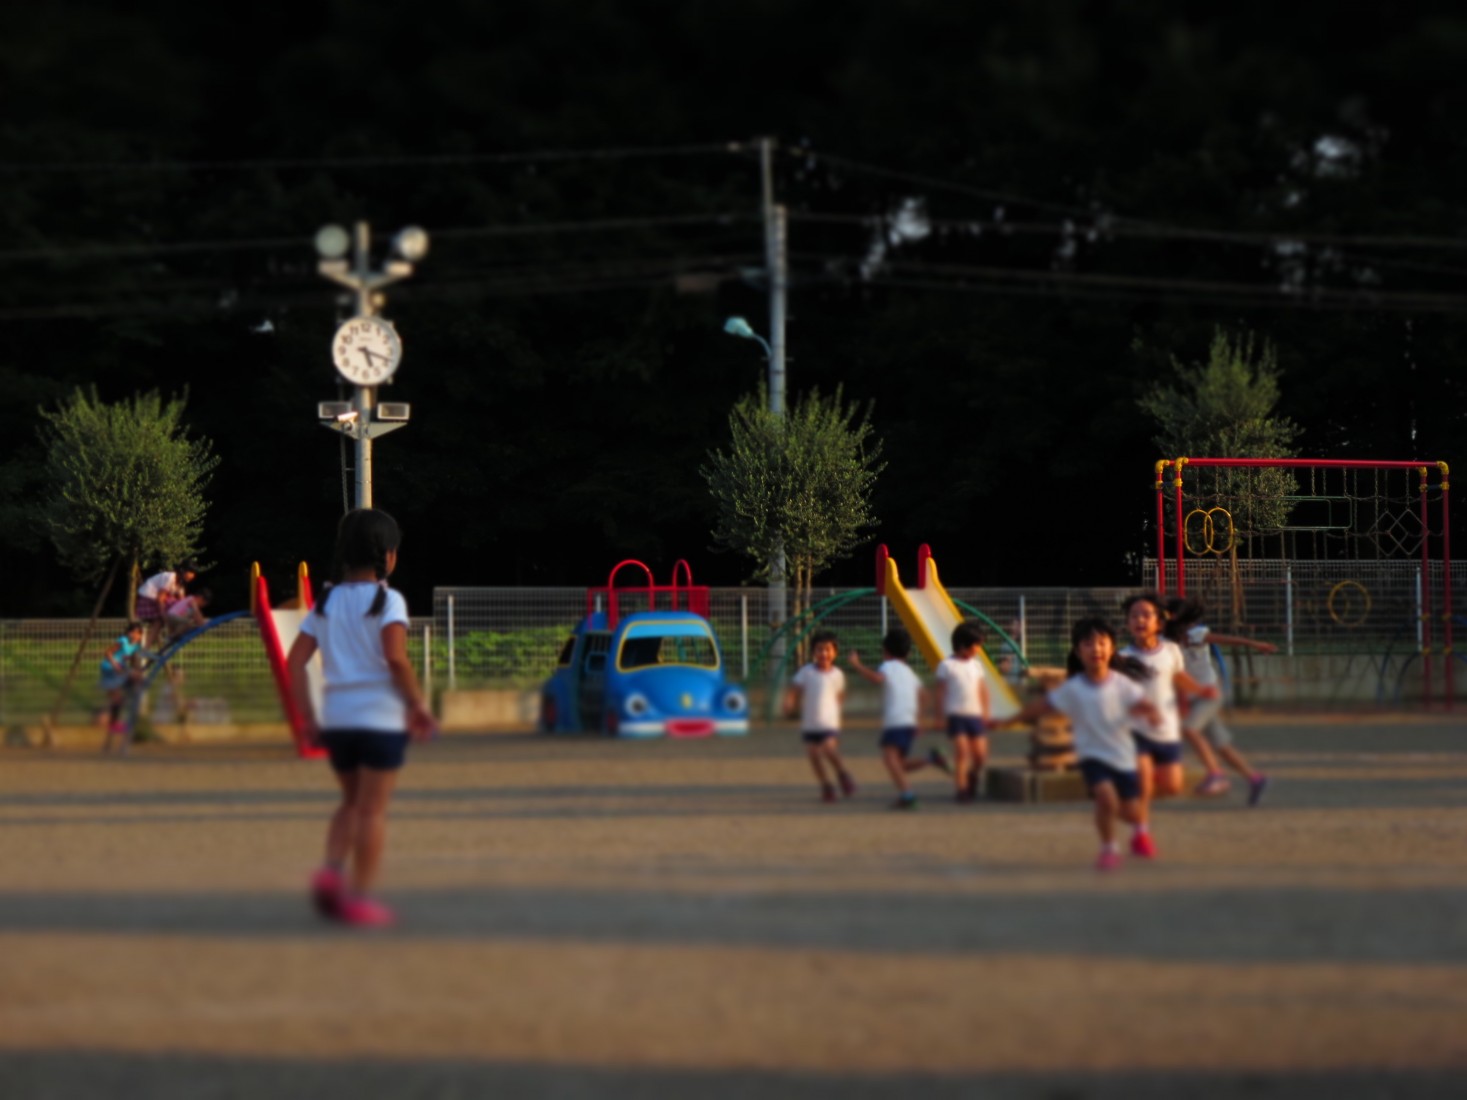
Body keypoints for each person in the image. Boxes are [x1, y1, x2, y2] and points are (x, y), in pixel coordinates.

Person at [286, 508, 437, 928]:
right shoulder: (389, 601)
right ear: (388, 555)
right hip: (380, 719)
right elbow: (396, 659)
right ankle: (360, 897)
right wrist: (418, 706)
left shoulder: (326, 602)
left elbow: (295, 662)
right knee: (372, 811)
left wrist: (307, 715)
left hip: (338, 721)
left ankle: (331, 872)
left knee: (350, 802)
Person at [999, 617, 1161, 870]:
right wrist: (1008, 720)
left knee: (1131, 811)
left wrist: (1151, 714)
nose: (1096, 649)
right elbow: (1042, 706)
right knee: (1106, 799)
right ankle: (1109, 848)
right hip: (1092, 756)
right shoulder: (1073, 688)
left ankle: (1140, 831)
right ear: (1078, 651)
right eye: (1088, 643)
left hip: (1123, 756)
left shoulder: (1123, 685)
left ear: (1112, 648)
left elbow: (1143, 704)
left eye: (1102, 643)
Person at [1119, 592, 1219, 856]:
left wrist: (1197, 692)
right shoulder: (1122, 658)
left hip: (1166, 731)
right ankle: (1141, 834)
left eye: (1146, 615)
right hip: (1136, 731)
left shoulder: (1171, 650)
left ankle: (1134, 787)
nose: (1140, 620)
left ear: (1159, 623)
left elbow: (1178, 677)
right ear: (1127, 623)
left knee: (1173, 786)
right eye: (1134, 616)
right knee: (1144, 785)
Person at [1164, 596, 1276, 805]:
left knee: (1189, 729)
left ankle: (1216, 775)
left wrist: (1255, 644)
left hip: (1210, 693)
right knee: (1221, 745)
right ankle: (1255, 779)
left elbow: (1227, 639)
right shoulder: (1168, 640)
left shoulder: (1195, 634)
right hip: (1194, 696)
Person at [849, 627, 951, 810]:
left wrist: (856, 664)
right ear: (908, 653)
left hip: (896, 721)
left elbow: (877, 679)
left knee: (890, 760)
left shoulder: (888, 666)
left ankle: (908, 795)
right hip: (908, 722)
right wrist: (918, 719)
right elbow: (925, 696)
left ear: (885, 651)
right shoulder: (908, 672)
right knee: (899, 764)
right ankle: (931, 759)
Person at [784, 629, 856, 803]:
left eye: (828, 649)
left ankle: (842, 774)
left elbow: (840, 695)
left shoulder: (837, 674)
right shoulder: (806, 672)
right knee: (814, 755)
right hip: (810, 724)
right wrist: (789, 702)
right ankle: (826, 785)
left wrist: (834, 712)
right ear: (813, 652)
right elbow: (795, 690)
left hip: (829, 723)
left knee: (829, 749)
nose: (823, 653)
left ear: (835, 653)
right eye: (819, 649)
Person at [933, 621, 991, 802]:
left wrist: (985, 712)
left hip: (975, 715)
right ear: (963, 645)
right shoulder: (947, 665)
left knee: (980, 756)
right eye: (976, 645)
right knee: (962, 753)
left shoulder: (976, 666)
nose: (979, 649)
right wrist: (939, 716)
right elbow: (940, 692)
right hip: (956, 715)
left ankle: (972, 776)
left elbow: (982, 690)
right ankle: (962, 789)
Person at [99, 620, 145, 751]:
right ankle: (111, 722)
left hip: (119, 669)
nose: (134, 635)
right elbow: (108, 653)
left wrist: (134, 671)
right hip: (109, 668)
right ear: (128, 632)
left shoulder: (136, 646)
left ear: (140, 635)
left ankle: (113, 724)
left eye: (137, 633)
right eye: (132, 632)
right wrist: (115, 665)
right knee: (117, 699)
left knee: (118, 700)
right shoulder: (123, 641)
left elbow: (132, 662)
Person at [136, 560, 199, 648]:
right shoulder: (170, 577)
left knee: (158, 623)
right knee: (169, 611)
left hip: (154, 599)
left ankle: (147, 647)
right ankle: (171, 635)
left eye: (194, 573)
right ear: (183, 570)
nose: (192, 576)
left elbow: (182, 602)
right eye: (190, 572)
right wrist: (164, 616)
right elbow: (160, 599)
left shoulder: (180, 584)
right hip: (148, 598)